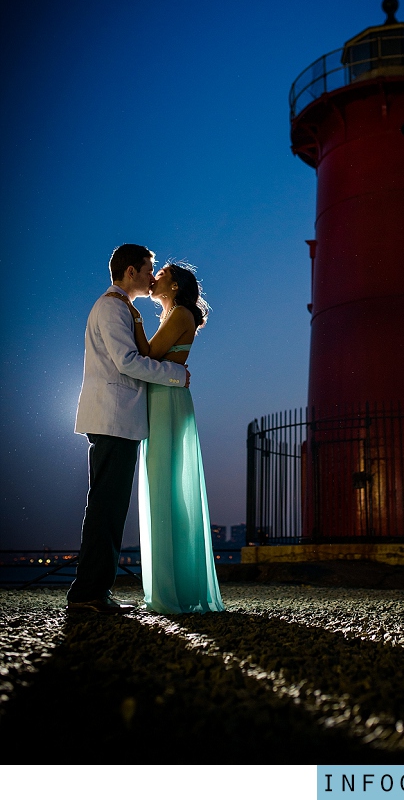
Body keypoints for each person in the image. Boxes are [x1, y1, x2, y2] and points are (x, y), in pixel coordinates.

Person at [67, 244, 190, 614]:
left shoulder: (121, 308)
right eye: (149, 269)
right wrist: (176, 374)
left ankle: (94, 591)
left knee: (109, 507)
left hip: (118, 419)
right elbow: (126, 362)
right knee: (106, 507)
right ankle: (87, 593)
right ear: (132, 271)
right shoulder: (112, 307)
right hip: (113, 418)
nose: (153, 277)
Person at [110, 261, 224, 615]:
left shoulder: (179, 315)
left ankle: (168, 593)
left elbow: (148, 355)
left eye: (161, 276)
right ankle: (172, 586)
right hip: (164, 398)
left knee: (163, 488)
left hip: (166, 401)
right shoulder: (175, 315)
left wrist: (137, 320)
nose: (154, 278)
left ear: (174, 286)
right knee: (163, 488)